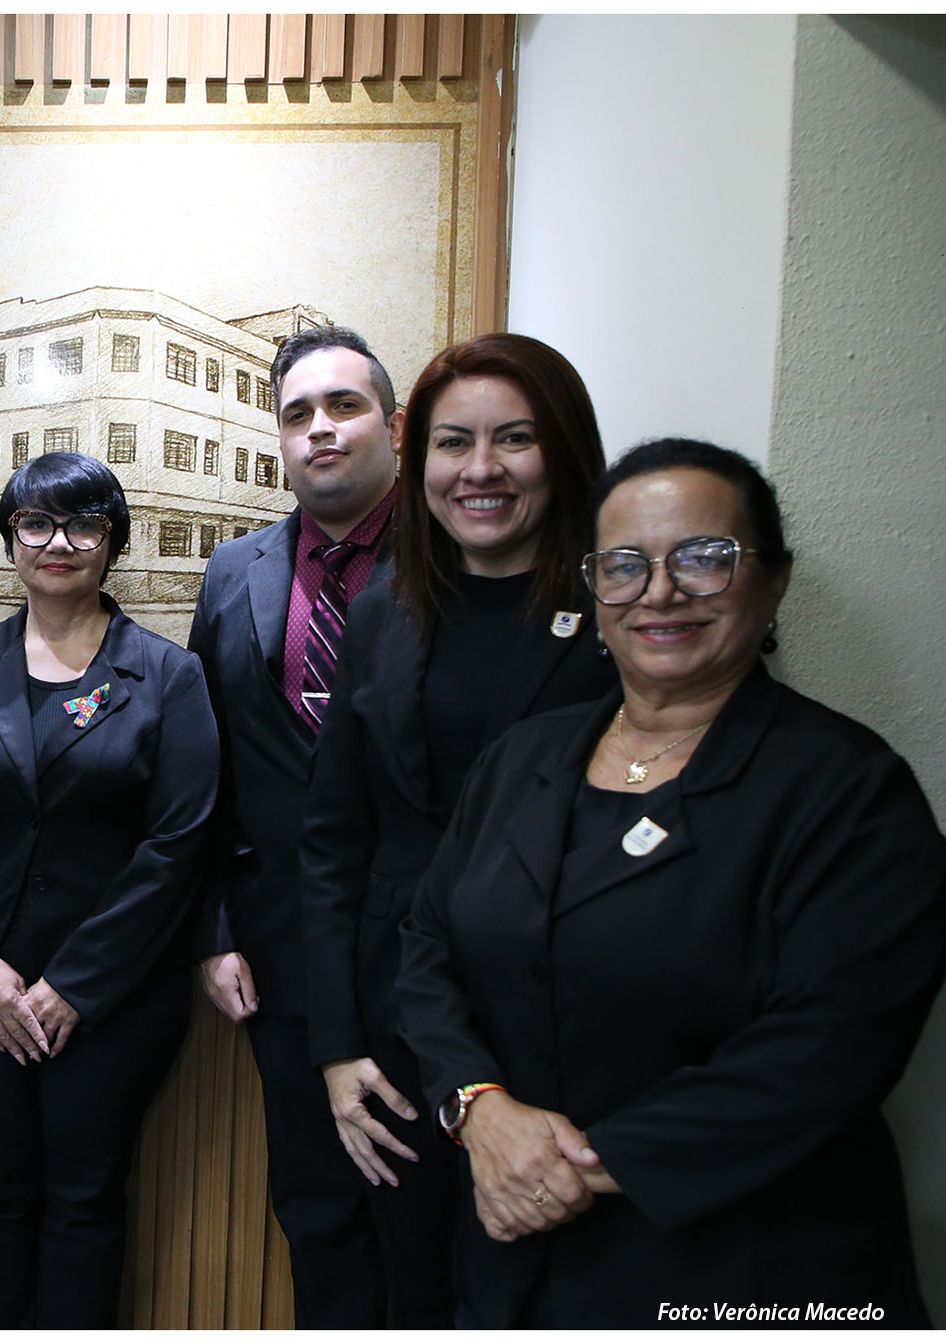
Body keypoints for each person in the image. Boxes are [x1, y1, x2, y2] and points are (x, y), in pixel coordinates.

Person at [395, 439, 946, 1326]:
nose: (659, 591)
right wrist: (478, 1107)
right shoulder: (522, 757)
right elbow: (427, 945)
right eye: (624, 565)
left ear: (773, 581)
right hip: (515, 1262)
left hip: (744, 1268)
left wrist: (567, 1168)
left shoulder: (849, 792)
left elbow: (828, 1048)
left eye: (702, 558)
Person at [300, 333, 616, 1324]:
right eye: (452, 443)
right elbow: (334, 839)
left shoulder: (620, 610)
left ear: (563, 450)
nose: (480, 468)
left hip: (565, 1025)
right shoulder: (385, 608)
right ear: (418, 457)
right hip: (396, 1030)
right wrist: (336, 1046)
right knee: (417, 1293)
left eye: (514, 438)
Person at [0, 453, 218, 1327]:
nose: (59, 543)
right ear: (9, 539)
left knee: (85, 1198)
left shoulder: (167, 676)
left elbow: (177, 845)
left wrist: (76, 985)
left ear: (112, 541)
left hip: (115, 994)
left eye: (84, 524)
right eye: (36, 523)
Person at [187, 324, 399, 1324]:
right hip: (281, 950)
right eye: (297, 413)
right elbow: (206, 769)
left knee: (423, 1213)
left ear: (393, 425)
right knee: (316, 1209)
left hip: (424, 947)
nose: (320, 428)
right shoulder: (235, 570)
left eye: (344, 405)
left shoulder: (456, 563)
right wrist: (215, 928)